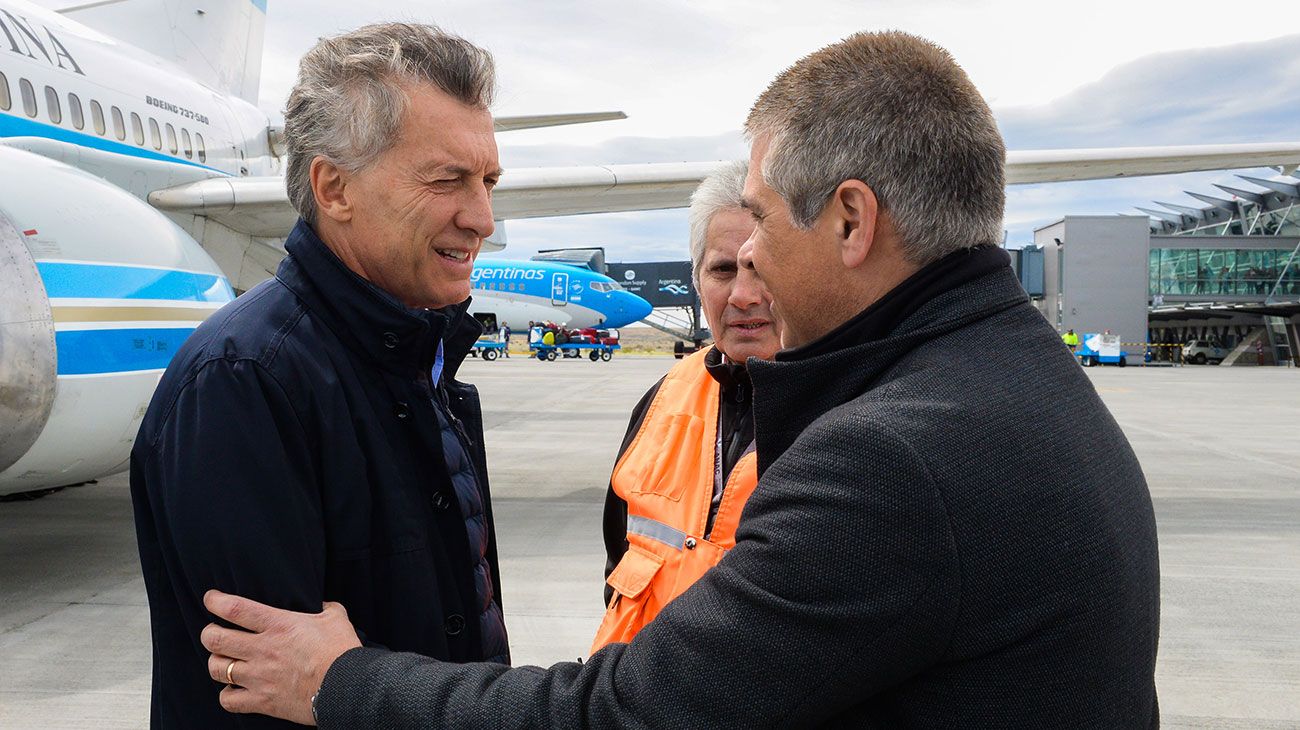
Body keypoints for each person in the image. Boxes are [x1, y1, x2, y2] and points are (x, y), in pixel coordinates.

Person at [199, 31, 1160, 728]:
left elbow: (626, 716)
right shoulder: (1019, 374)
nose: (753, 272)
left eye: (765, 224)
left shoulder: (896, 455)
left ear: (853, 223)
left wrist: (341, 682)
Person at [130, 23, 509, 728]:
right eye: (447, 180)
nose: (483, 218)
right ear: (334, 189)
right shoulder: (244, 382)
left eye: (487, 181)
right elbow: (269, 702)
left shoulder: (417, 357)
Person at [593, 160, 780, 651]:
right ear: (696, 279)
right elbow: (618, 561)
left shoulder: (851, 412)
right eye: (722, 269)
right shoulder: (662, 400)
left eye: (762, 267)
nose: (743, 295)